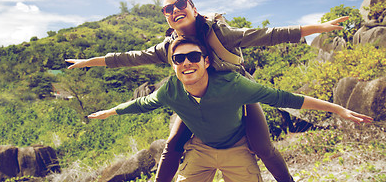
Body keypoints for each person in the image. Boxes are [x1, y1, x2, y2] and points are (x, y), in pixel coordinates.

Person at [66, 0, 349, 182]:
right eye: (168, 9)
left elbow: (268, 35)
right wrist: (89, 61)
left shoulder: (219, 33)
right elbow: (130, 58)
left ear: (193, 9)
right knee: (173, 144)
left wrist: (319, 28)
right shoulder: (168, 47)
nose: (175, 11)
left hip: (236, 92)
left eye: (181, 5)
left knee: (262, 146)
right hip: (195, 96)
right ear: (165, 16)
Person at [87, 36, 373, 182]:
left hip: (237, 149)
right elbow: (141, 104)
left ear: (206, 61)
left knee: (266, 149)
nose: (186, 62)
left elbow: (285, 97)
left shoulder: (234, 85)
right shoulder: (170, 90)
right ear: (172, 64)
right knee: (172, 146)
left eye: (193, 56)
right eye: (179, 59)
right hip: (199, 150)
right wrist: (110, 112)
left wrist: (337, 108)